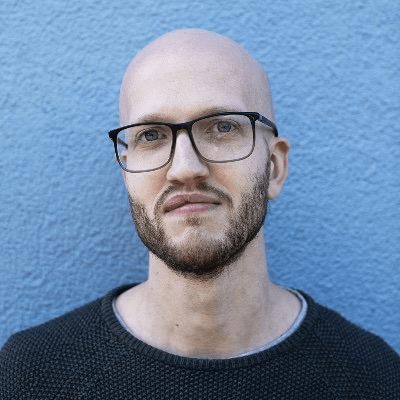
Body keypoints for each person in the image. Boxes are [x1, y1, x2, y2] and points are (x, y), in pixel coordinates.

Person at [1, 28, 399, 399]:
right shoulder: (29, 377)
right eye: (151, 135)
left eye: (222, 127)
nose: (185, 168)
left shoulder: (375, 381)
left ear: (274, 168)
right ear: (126, 171)